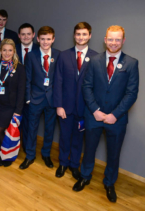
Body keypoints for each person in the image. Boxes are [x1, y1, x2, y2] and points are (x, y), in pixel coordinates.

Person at [73, 25, 139, 203]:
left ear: (123, 41)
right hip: (94, 117)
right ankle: (85, 176)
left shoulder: (131, 63)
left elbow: (131, 93)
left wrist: (115, 115)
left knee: (113, 154)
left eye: (118, 39)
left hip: (116, 120)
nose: (114, 42)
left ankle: (109, 183)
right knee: (89, 150)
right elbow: (86, 86)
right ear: (105, 39)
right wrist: (95, 110)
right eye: (111, 39)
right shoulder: (94, 60)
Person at [53, 22, 98, 179]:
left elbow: (96, 86)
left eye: (84, 34)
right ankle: (63, 163)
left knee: (79, 139)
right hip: (65, 107)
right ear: (74, 35)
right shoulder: (64, 55)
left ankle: (74, 165)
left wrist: (92, 109)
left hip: (84, 109)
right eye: (78, 34)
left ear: (90, 36)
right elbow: (57, 81)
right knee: (64, 137)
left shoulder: (96, 58)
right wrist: (58, 105)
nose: (81, 37)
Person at [19, 26, 60, 170]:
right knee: (31, 129)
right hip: (35, 99)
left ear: (53, 39)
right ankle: (30, 155)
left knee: (49, 129)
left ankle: (46, 154)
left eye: (48, 39)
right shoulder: (31, 55)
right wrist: (28, 98)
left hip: (52, 99)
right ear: (38, 39)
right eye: (42, 39)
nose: (45, 42)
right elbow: (28, 78)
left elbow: (59, 79)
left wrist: (58, 99)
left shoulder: (58, 55)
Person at [0, 39, 26, 167]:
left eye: (10, 50)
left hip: (11, 107)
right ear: (0, 51)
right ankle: (4, 153)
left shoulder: (20, 68)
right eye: (4, 50)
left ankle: (6, 155)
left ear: (14, 52)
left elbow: (22, 91)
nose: (7, 53)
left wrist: (18, 111)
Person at [16, 23, 40, 153]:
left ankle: (27, 149)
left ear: (33, 35)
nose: (26, 37)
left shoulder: (39, 50)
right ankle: (14, 147)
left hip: (33, 94)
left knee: (30, 124)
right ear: (19, 36)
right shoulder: (12, 50)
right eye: (23, 34)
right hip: (16, 94)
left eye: (28, 34)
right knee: (16, 122)